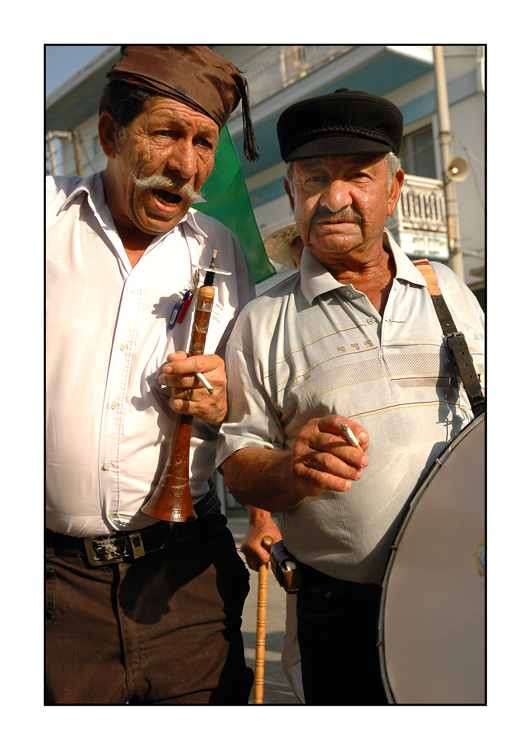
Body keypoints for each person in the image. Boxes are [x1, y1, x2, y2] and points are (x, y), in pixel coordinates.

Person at [217, 89, 485, 705]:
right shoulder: (263, 320)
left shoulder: (447, 291)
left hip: (471, 593)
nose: (334, 198)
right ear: (290, 194)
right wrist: (292, 469)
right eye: (314, 178)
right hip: (340, 618)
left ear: (392, 189)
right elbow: (239, 468)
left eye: (356, 177)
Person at [46, 45, 260, 705]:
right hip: (48, 586)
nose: (186, 164)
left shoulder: (219, 249)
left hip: (186, 577)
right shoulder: (38, 221)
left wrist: (222, 399)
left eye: (204, 142)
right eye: (165, 132)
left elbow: (252, 406)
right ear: (110, 134)